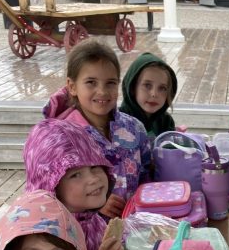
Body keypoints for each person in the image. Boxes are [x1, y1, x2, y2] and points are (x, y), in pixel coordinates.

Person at [43, 39, 151, 217]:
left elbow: (147, 174)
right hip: (89, 235)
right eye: (91, 82)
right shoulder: (61, 138)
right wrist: (94, 202)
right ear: (72, 86)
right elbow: (52, 192)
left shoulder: (135, 128)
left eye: (110, 83)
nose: (102, 91)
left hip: (136, 227)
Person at [24, 118, 125, 250]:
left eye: (95, 167)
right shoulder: (47, 236)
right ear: (51, 185)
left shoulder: (89, 217)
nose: (93, 179)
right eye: (75, 174)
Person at [120, 52, 179, 137]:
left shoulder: (166, 121)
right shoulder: (117, 120)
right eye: (147, 85)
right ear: (132, 88)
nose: (154, 94)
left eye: (162, 88)